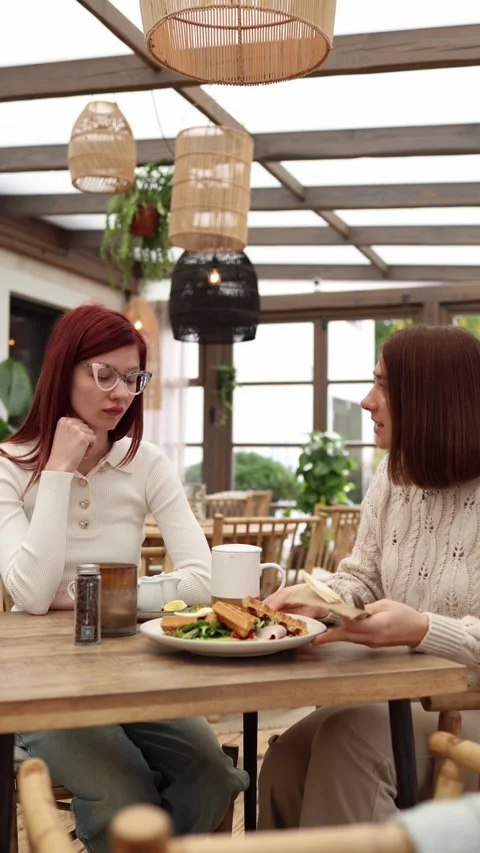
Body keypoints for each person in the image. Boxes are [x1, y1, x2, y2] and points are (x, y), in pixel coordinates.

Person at [0, 303, 248, 853]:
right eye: (104, 374)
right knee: (125, 793)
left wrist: (92, 596)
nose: (121, 393)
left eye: (133, 378)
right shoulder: (8, 465)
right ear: (62, 370)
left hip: (132, 669)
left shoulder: (146, 462)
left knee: (211, 775)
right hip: (38, 683)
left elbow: (201, 581)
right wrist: (58, 470)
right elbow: (33, 595)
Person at [258, 324, 480, 830]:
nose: (366, 401)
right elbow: (363, 578)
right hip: (399, 698)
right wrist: (322, 598)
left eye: (384, 385)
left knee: (351, 744)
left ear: (432, 401)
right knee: (284, 761)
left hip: (467, 706)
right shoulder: (392, 476)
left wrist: (424, 629)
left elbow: (422, 626)